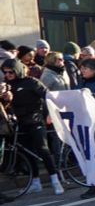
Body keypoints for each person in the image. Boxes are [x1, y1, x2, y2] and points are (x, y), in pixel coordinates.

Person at [0, 59, 65, 196]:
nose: (8, 74)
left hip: (35, 121)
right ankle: (35, 182)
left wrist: (49, 114)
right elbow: (6, 107)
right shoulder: (6, 86)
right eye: (5, 72)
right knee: (27, 153)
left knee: (43, 150)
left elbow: (48, 96)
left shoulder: (31, 82)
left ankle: (55, 180)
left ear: (17, 70)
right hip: (18, 124)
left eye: (11, 72)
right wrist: (5, 98)